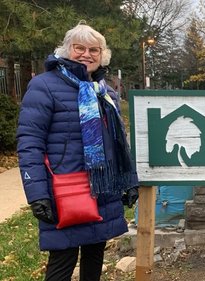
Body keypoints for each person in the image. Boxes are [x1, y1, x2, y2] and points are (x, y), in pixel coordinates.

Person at [16, 21, 139, 281]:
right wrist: (36, 194)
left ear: (102, 55)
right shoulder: (45, 86)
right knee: (63, 259)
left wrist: (129, 181)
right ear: (66, 50)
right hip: (65, 188)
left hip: (103, 187)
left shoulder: (105, 92)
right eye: (79, 48)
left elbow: (119, 142)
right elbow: (29, 142)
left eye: (94, 50)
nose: (86, 54)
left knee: (95, 255)